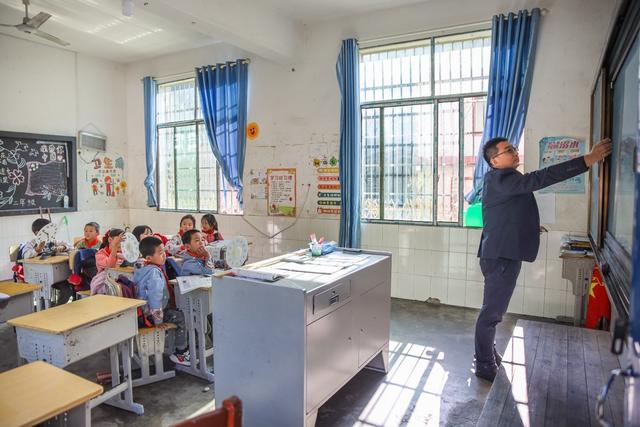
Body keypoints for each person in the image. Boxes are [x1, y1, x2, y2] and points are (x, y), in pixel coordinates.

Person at [473, 136, 612, 382]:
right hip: (501, 257)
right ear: (494, 161)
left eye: (514, 148)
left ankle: (487, 352)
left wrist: (528, 227)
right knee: (492, 313)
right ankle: (484, 364)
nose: (515, 152)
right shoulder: (504, 177)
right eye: (508, 150)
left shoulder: (500, 180)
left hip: (500, 254)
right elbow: (541, 178)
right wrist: (587, 160)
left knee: (494, 311)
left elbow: (505, 213)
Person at [134, 236, 190, 366]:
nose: (164, 255)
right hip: (152, 315)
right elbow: (155, 297)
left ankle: (175, 348)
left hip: (142, 312)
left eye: (164, 251)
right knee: (181, 317)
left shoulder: (141, 268)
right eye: (160, 253)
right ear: (148, 258)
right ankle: (181, 353)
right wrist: (158, 321)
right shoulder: (154, 273)